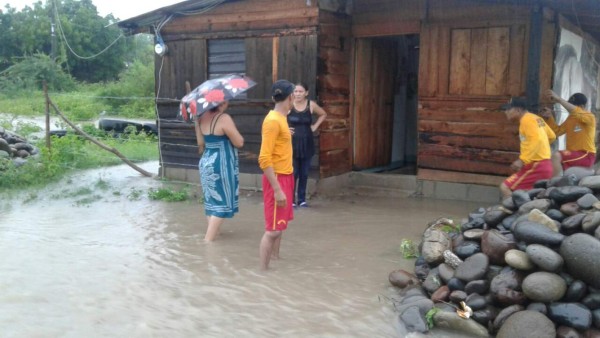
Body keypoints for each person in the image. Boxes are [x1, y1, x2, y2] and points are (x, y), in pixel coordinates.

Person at [258, 79, 295, 270]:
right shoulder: (272, 121)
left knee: (280, 226)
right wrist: (277, 189)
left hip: (286, 176)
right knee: (272, 230)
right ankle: (263, 272)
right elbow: (264, 159)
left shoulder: (281, 118)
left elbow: (277, 139)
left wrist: (285, 133)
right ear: (290, 97)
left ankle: (276, 262)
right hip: (277, 179)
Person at [196, 101, 244, 242]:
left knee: (211, 201)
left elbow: (200, 143)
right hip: (221, 163)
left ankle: (215, 235)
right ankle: (208, 241)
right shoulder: (223, 118)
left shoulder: (200, 117)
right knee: (222, 204)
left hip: (206, 161)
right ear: (222, 102)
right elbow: (239, 142)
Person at [499, 97, 556, 198]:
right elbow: (551, 136)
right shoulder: (536, 118)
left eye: (508, 109)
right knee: (528, 196)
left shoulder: (526, 120)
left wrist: (522, 160)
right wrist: (542, 149)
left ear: (518, 110)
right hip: (545, 164)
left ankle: (512, 213)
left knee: (505, 187)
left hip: (536, 165)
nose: (506, 112)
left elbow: (537, 139)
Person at [287, 82, 327, 207]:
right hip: (292, 144)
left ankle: (302, 199)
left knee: (304, 173)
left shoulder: (311, 105)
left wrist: (315, 126)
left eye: (300, 91)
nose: (298, 94)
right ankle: (291, 200)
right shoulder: (288, 105)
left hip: (307, 143)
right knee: (294, 173)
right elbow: (277, 117)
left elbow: (323, 114)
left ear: (306, 93)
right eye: (296, 91)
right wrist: (285, 129)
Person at [540, 90, 596, 176]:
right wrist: (549, 117)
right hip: (573, 154)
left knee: (556, 156)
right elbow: (556, 132)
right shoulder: (571, 119)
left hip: (586, 155)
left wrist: (559, 99)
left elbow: (575, 111)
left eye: (572, 106)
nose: (570, 109)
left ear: (582, 106)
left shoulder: (590, 117)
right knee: (549, 159)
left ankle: (555, 184)